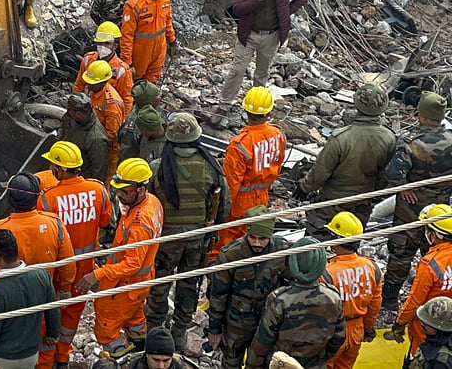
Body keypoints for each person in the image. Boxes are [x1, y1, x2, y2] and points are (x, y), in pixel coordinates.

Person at [147, 113, 229, 348]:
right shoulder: (212, 167)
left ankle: (154, 329)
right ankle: (180, 331)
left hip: (166, 240)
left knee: (159, 284)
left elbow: (148, 206)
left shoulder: (157, 167)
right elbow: (226, 204)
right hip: (198, 240)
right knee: (189, 285)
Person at [0, 173, 73, 369]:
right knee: (44, 351)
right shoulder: (54, 224)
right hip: (40, 299)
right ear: (36, 197)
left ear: (10, 199)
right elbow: (68, 263)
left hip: (5, 305)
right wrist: (64, 287)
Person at [76, 158, 164, 359]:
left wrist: (98, 274)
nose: (119, 195)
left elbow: (132, 264)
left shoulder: (139, 224)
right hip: (140, 284)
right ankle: (141, 344)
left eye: (125, 191)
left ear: (140, 189)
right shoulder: (153, 202)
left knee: (107, 326)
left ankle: (121, 356)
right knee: (134, 316)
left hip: (125, 285)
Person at [38, 141, 112, 369]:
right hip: (85, 269)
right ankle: (62, 358)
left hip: (57, 272)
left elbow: (46, 237)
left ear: (59, 170)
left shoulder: (48, 198)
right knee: (71, 317)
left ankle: (45, 363)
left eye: (53, 165)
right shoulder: (99, 189)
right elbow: (105, 221)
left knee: (47, 318)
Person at [384, 91, 452, 308]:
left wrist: (404, 188)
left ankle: (390, 300)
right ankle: (435, 301)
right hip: (440, 213)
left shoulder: (411, 142)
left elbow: (393, 174)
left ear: (421, 115)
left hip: (410, 211)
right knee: (436, 255)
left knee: (400, 255)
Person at [296, 82, 394, 234]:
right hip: (362, 204)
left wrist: (304, 188)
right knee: (349, 248)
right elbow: (384, 175)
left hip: (332, 203)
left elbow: (321, 171)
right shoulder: (389, 139)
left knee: (314, 245)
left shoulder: (341, 137)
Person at [207, 205, 290, 369]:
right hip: (236, 325)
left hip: (267, 324)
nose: (257, 243)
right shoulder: (231, 255)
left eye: (263, 239)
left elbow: (289, 286)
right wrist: (214, 329)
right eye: (253, 237)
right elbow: (218, 295)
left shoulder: (282, 251)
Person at [0, 229, 60, 369]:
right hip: (31, 354)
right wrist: (52, 333)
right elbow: (52, 310)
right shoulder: (41, 275)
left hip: (6, 357)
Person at [219, 0, 311, 103]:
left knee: (262, 73)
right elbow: (237, 9)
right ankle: (224, 103)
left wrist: (286, 12)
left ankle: (255, 104)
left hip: (271, 36)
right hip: (248, 35)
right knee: (237, 70)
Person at [245, 237, 345, 369]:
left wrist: (251, 366)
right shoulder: (333, 297)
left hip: (281, 365)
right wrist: (320, 358)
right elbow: (339, 337)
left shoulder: (280, 300)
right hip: (316, 364)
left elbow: (262, 342)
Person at [211, 86, 286, 261]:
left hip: (240, 203)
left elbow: (231, 184)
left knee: (224, 245)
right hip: (262, 197)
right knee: (254, 242)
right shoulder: (277, 135)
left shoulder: (239, 144)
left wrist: (222, 211)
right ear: (270, 112)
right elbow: (278, 164)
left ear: (245, 111)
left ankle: (217, 278)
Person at [320, 212, 382, 369]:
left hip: (333, 333)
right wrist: (367, 329)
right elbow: (374, 305)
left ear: (335, 240)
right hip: (357, 330)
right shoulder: (372, 268)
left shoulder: (327, 273)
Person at [390, 204, 452, 359]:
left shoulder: (430, 263)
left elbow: (415, 300)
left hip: (430, 321)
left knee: (422, 358)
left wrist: (400, 323)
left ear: (435, 234)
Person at [121, 0, 177, 83]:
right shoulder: (134, 5)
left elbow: (168, 21)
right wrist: (127, 62)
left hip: (159, 48)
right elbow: (127, 36)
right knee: (134, 80)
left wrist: (172, 41)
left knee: (152, 78)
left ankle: (148, 98)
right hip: (140, 52)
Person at [74, 21, 134, 115]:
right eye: (100, 43)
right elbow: (79, 85)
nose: (102, 47)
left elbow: (127, 100)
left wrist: (122, 122)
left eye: (107, 43)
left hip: (107, 113)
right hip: (87, 108)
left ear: (115, 45)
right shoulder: (87, 60)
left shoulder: (122, 71)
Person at [82, 60, 124, 179]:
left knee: (103, 178)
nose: (88, 85)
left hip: (106, 150)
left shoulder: (111, 104)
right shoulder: (93, 91)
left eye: (91, 83)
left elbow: (112, 135)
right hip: (91, 141)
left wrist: (93, 143)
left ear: (103, 82)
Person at [61, 92, 110, 184]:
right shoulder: (71, 118)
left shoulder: (96, 139)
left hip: (79, 180)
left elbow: (98, 172)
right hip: (62, 169)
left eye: (70, 110)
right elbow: (63, 133)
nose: (68, 112)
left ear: (78, 113)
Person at [91, 328, 197, 369]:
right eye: (156, 360)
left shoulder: (184, 367)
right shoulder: (129, 365)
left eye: (166, 361)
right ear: (146, 355)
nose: (161, 366)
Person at [412, 297, 452, 369]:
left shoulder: (441, 362)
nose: (421, 324)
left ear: (438, 329)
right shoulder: (440, 339)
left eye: (425, 324)